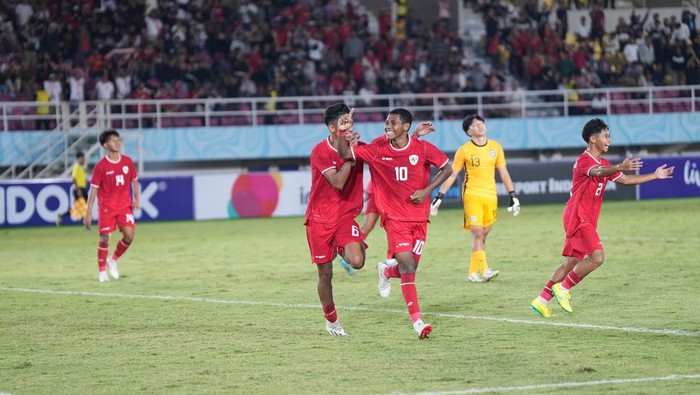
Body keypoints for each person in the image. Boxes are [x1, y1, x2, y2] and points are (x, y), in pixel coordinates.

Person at [530, 118, 675, 318]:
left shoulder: (605, 163)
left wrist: (655, 175)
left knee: (571, 263)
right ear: (592, 138)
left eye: (609, 136)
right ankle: (563, 289)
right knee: (597, 257)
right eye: (606, 136)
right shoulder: (585, 161)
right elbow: (597, 172)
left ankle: (542, 300)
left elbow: (625, 180)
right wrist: (619, 166)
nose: (609, 140)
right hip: (578, 216)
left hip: (585, 217)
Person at [336, 108, 453, 339]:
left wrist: (427, 190)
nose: (387, 126)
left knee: (410, 267)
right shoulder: (377, 149)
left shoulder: (422, 148)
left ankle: (386, 271)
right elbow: (346, 154)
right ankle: (418, 321)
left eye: (393, 123)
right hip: (394, 218)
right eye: (386, 122)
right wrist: (343, 134)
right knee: (409, 267)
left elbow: (447, 168)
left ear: (406, 126)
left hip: (419, 218)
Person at [430, 115, 520, 283]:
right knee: (478, 232)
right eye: (475, 125)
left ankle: (472, 273)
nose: (480, 126)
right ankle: (484, 270)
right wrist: (439, 195)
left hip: (491, 195)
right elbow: (452, 174)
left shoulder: (496, 147)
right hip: (472, 195)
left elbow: (504, 172)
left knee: (483, 234)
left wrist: (512, 194)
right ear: (469, 131)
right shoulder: (464, 150)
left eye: (481, 123)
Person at [305, 103, 366, 336]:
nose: (348, 127)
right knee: (325, 274)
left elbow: (386, 152)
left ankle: (344, 248)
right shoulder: (320, 151)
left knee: (358, 261)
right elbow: (338, 183)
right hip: (319, 219)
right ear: (332, 127)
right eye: (342, 124)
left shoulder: (357, 146)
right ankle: (331, 321)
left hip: (344, 216)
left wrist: (412, 136)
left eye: (350, 122)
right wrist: (350, 158)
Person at [83, 129, 140, 283]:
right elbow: (93, 190)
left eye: (118, 139)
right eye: (113, 140)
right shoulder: (100, 166)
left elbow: (134, 180)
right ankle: (102, 272)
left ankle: (113, 259)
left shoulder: (127, 161)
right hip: (107, 208)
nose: (117, 142)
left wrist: (137, 199)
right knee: (104, 238)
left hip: (124, 206)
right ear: (105, 145)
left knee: (129, 235)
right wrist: (89, 212)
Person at [56, 152, 87, 225]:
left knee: (82, 206)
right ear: (78, 159)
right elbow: (74, 178)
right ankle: (85, 222)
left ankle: (61, 216)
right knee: (81, 206)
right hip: (79, 189)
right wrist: (78, 189)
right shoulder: (77, 167)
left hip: (82, 188)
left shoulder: (81, 167)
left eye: (84, 158)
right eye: (82, 158)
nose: (83, 160)